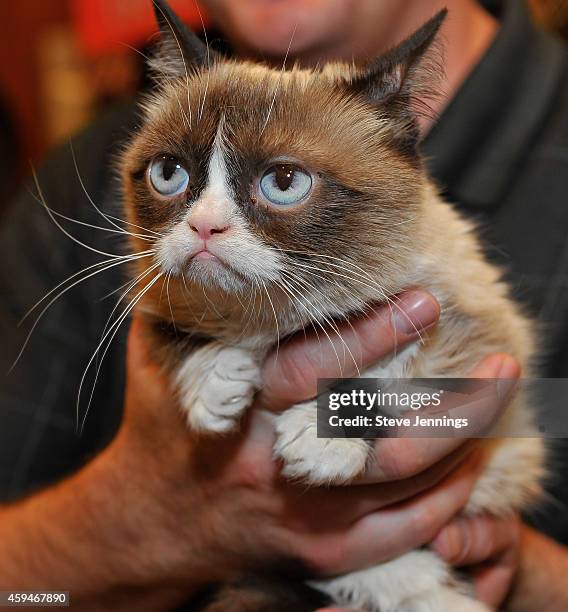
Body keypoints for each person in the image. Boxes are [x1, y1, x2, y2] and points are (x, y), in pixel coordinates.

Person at [0, 0, 567, 610]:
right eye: (170, 176)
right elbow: (24, 592)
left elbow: (492, 392)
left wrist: (515, 570)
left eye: (283, 185)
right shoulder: (66, 186)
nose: (203, 223)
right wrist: (142, 530)